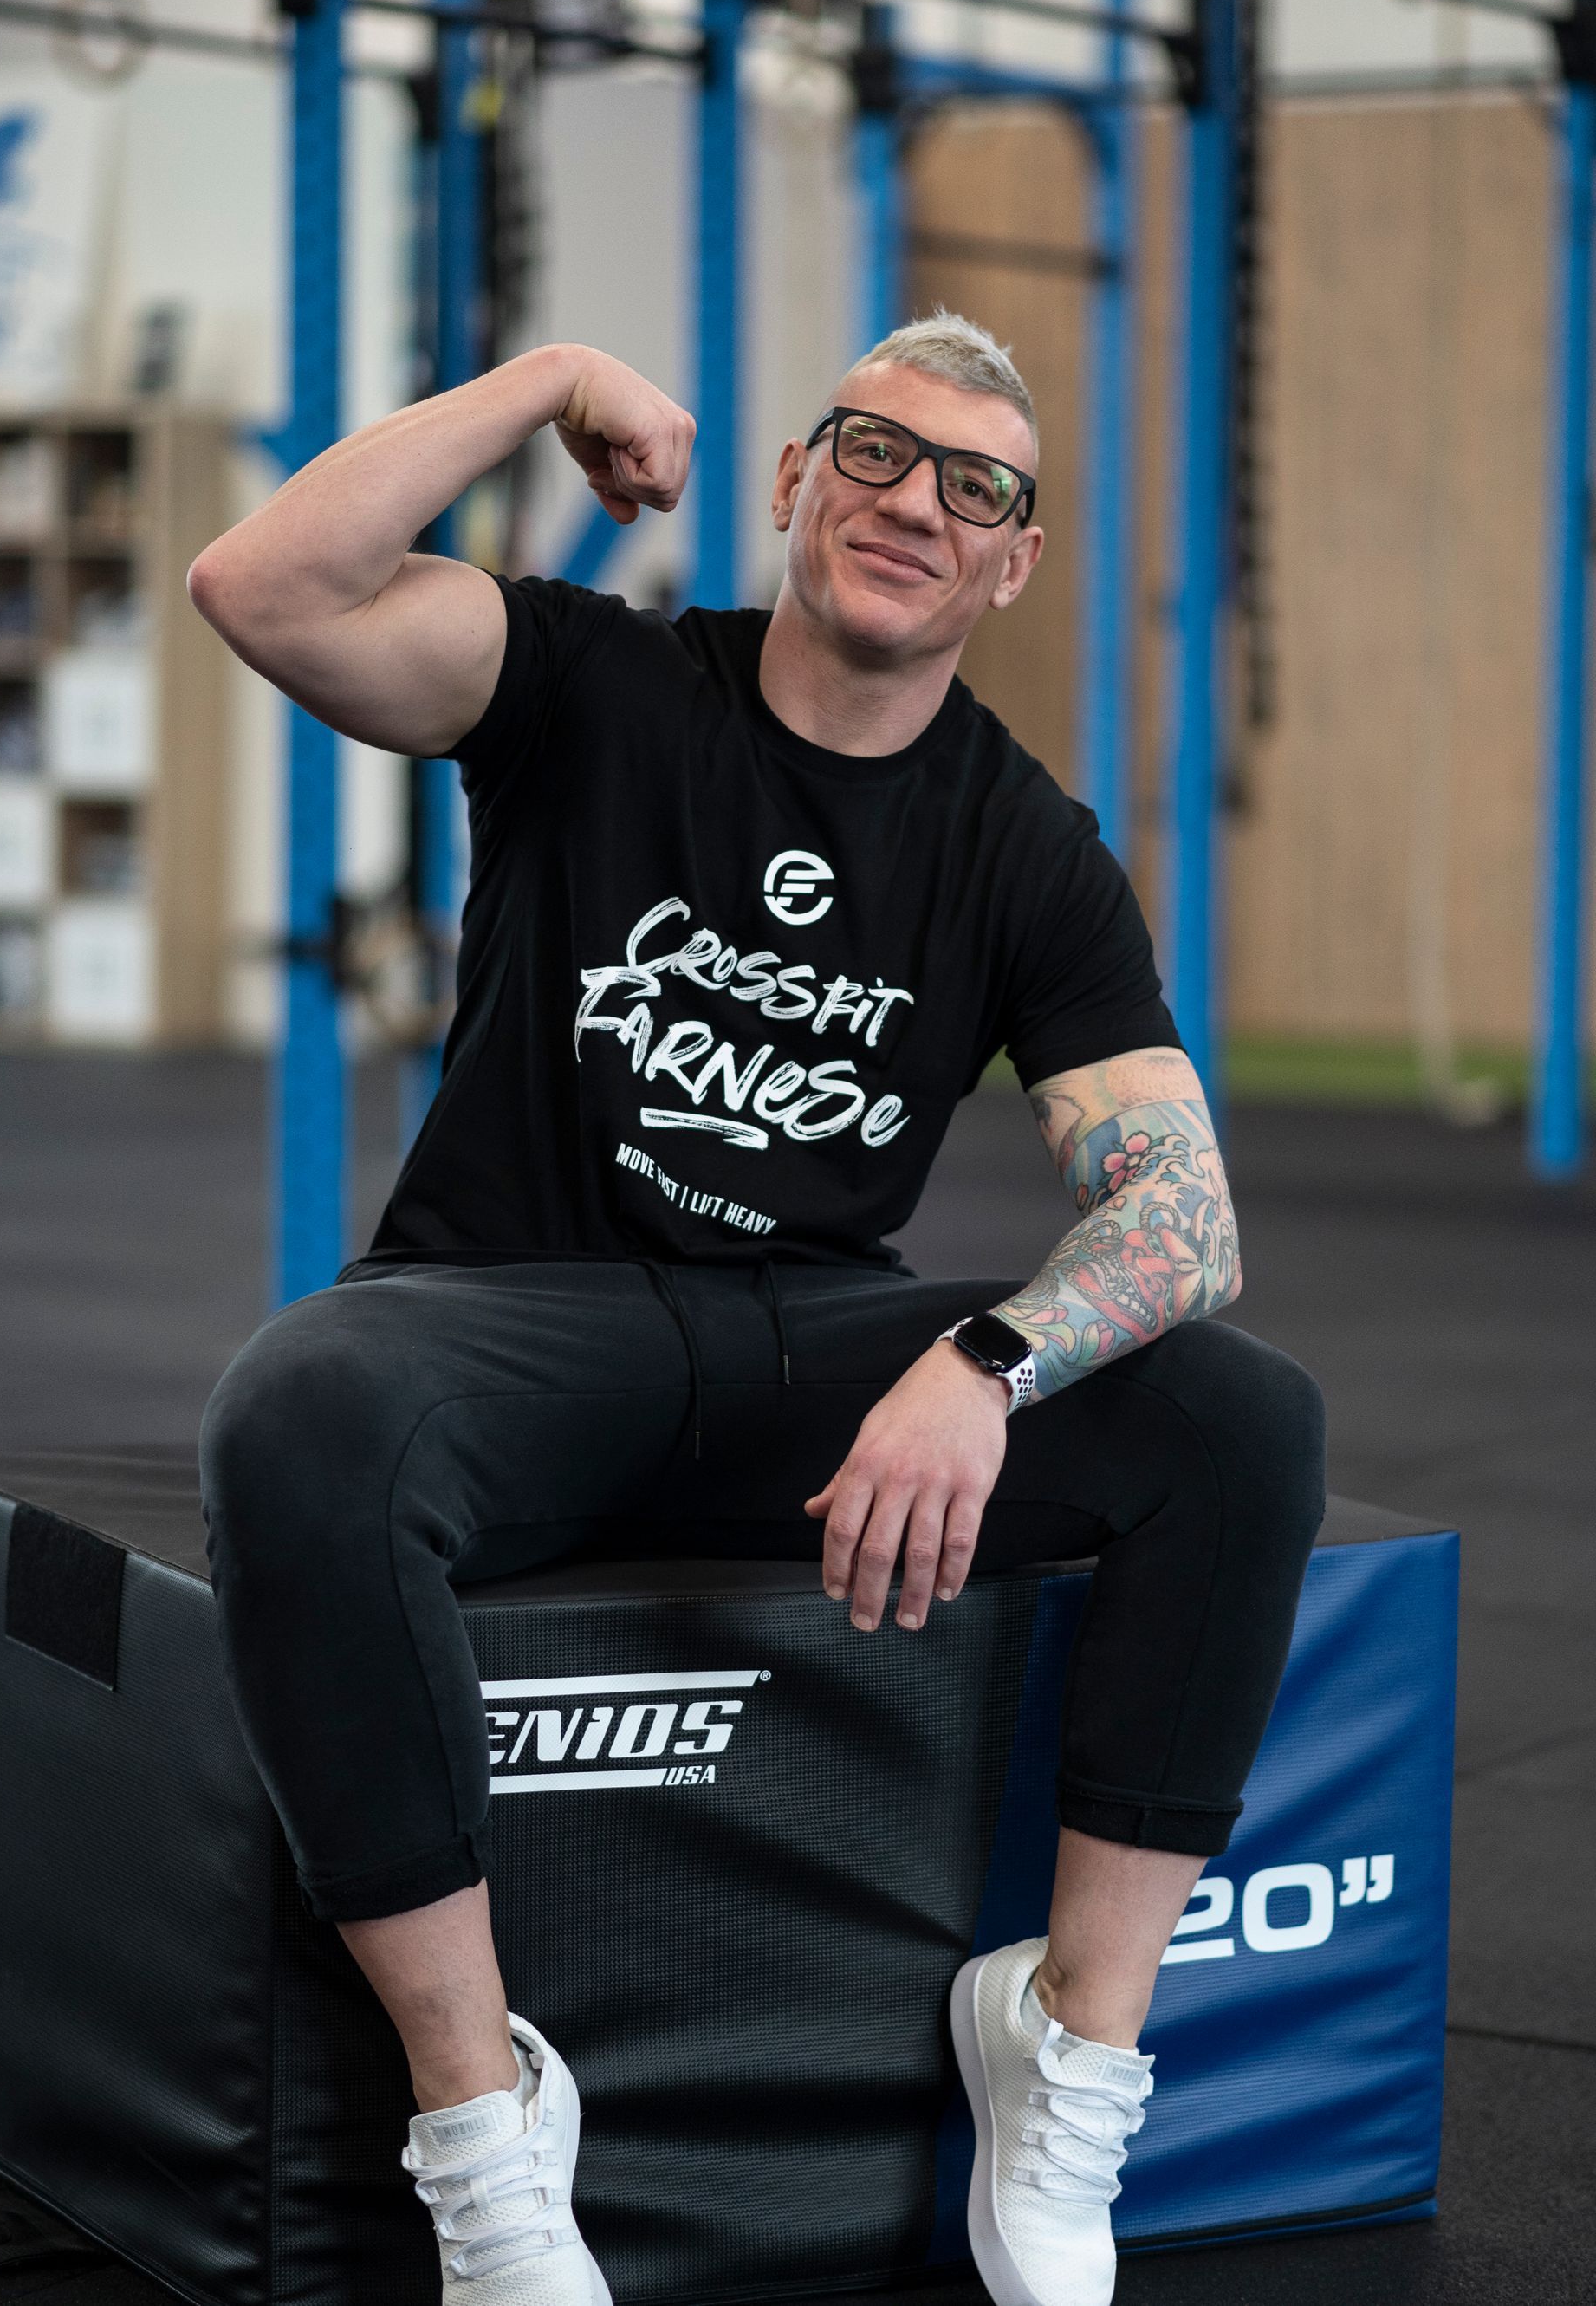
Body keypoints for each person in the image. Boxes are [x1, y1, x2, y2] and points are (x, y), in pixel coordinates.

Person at [191, 312, 1325, 2306]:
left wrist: (983, 1360)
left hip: (816, 1343)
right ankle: (487, 2134)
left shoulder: (1022, 843)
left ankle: (1068, 2042)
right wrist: (543, 381)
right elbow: (263, 583)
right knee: (300, 1410)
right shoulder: (595, 680)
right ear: (797, 480)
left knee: (1242, 1419)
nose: (915, 502)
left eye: (974, 485)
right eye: (873, 451)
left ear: (1012, 563)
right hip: (512, 1310)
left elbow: (1187, 1212)